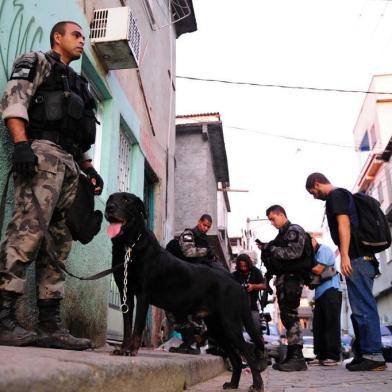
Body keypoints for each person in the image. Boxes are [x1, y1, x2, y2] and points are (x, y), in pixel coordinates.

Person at [0, 21, 103, 350]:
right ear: (57, 37)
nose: (81, 41)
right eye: (75, 35)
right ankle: (2, 318)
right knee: (27, 233)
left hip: (71, 164)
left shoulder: (79, 83)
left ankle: (50, 326)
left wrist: (88, 167)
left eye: (84, 37)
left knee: (58, 245)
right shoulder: (38, 61)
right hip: (42, 155)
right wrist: (20, 145)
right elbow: (15, 99)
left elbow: (77, 128)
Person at [305, 172, 386, 371]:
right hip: (360, 259)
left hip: (357, 258)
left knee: (363, 307)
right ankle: (365, 353)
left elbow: (344, 223)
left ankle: (373, 355)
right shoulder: (343, 196)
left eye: (313, 192)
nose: (315, 197)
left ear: (317, 183)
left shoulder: (336, 196)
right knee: (359, 308)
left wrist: (345, 255)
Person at [261, 205, 309, 372]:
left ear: (281, 215)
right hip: (284, 279)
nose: (272, 223)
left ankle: (297, 357)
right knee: (287, 317)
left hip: (292, 278)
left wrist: (272, 249)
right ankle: (293, 354)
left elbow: (293, 253)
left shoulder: (294, 230)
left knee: (290, 314)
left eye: (273, 219)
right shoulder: (281, 235)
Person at [167, 214, 215, 355]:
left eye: (208, 227)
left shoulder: (205, 240)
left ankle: (191, 342)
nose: (205, 229)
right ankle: (190, 341)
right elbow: (188, 252)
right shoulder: (189, 234)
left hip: (194, 281)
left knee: (185, 313)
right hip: (182, 278)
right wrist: (206, 252)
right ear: (199, 222)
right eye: (204, 225)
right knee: (175, 312)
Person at [308, 236, 342, 366]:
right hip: (320, 293)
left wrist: (302, 266)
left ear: (313, 240)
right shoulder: (314, 255)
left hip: (331, 290)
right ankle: (321, 355)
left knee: (331, 324)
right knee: (318, 326)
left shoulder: (324, 250)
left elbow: (318, 269)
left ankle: (333, 356)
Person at [231, 253, 265, 332]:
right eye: (241, 266)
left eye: (245, 266)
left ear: (248, 264)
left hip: (252, 305)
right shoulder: (235, 275)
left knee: (256, 329)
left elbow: (264, 286)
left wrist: (253, 286)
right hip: (238, 306)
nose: (243, 268)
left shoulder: (256, 272)